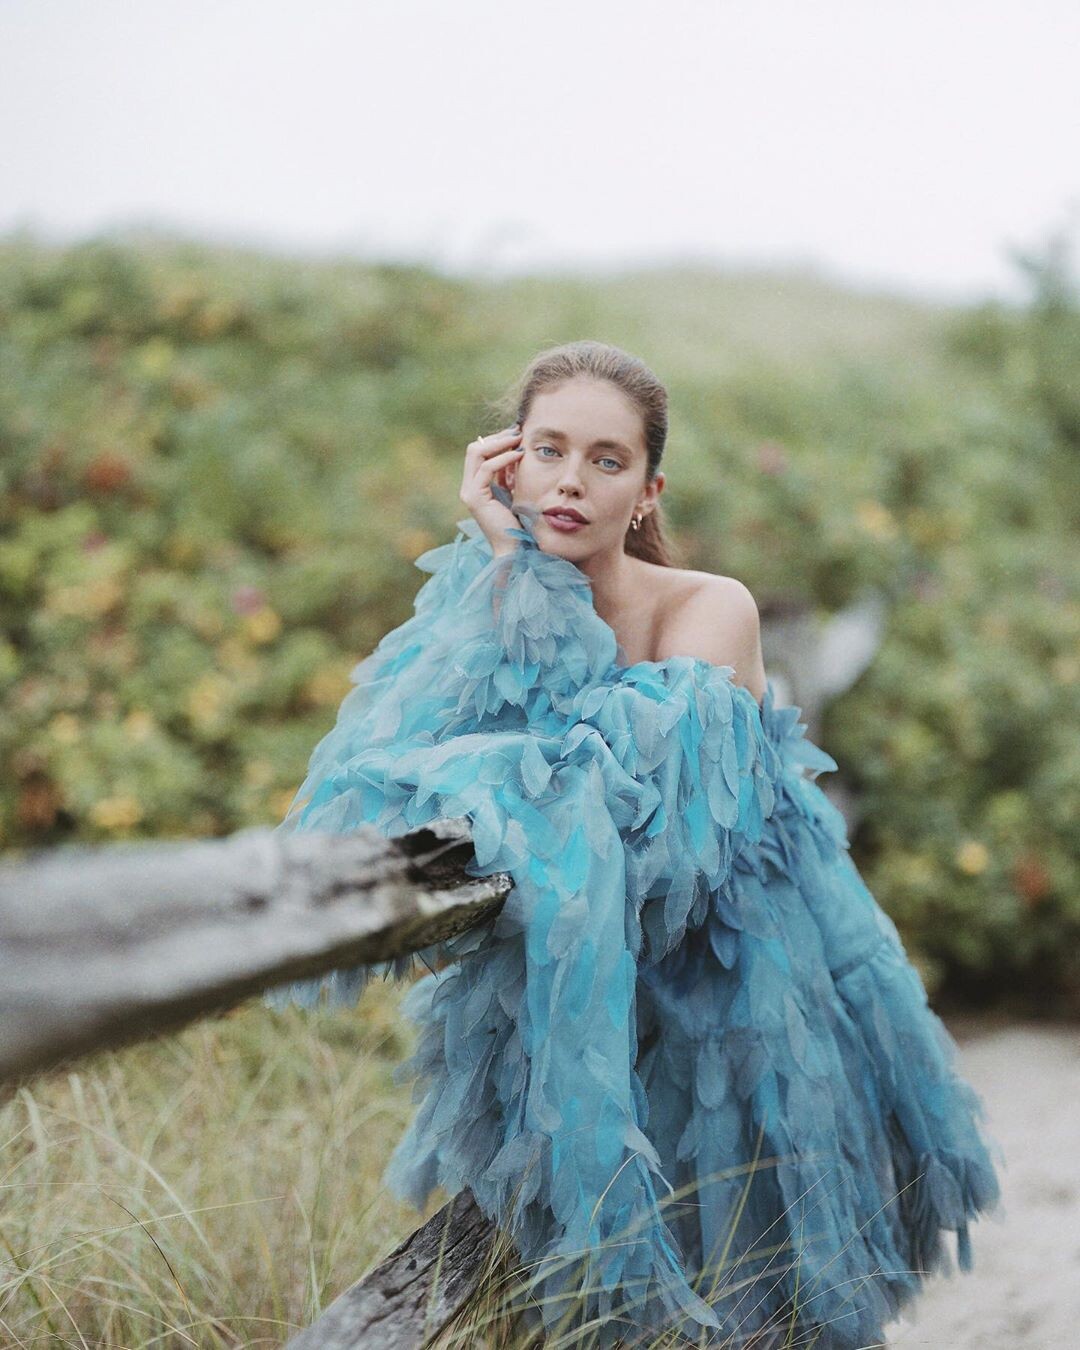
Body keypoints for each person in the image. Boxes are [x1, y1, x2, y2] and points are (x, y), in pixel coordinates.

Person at [265, 340, 1005, 1349]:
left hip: (739, 985)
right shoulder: (489, 598)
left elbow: (622, 809)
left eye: (606, 460)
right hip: (585, 995)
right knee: (582, 1308)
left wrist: (518, 574)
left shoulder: (710, 607)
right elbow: (394, 776)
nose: (570, 481)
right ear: (506, 463)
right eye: (548, 450)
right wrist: (509, 561)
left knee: (759, 1298)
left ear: (648, 490)